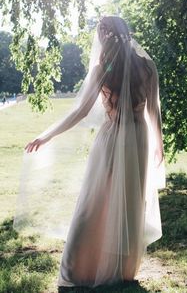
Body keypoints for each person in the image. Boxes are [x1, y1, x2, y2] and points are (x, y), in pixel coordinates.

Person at [15, 16, 166, 289]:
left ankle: (80, 265)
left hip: (111, 139)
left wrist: (46, 135)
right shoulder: (148, 66)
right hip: (139, 139)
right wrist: (159, 144)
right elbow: (153, 111)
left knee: (95, 200)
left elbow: (79, 111)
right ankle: (122, 270)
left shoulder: (102, 70)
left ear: (105, 37)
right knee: (129, 203)